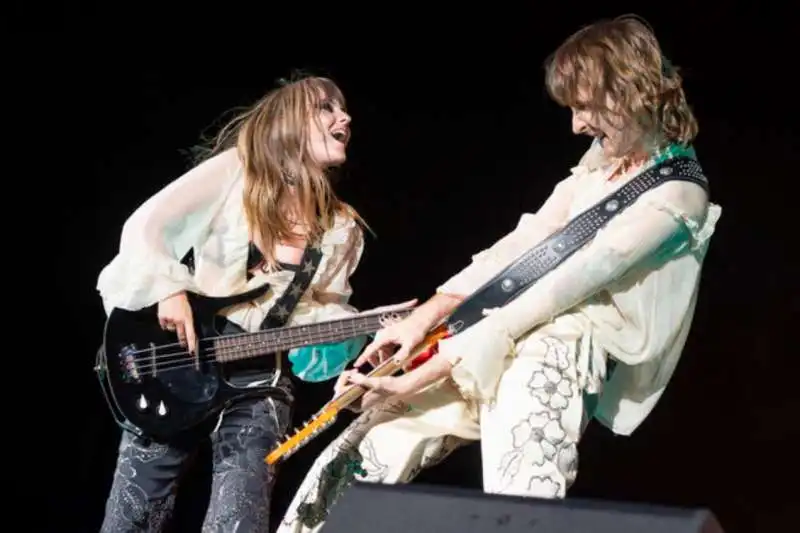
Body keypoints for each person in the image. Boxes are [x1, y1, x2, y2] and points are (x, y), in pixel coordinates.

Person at [276, 15, 722, 533]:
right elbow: (525, 243)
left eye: (584, 106)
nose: (577, 125)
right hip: (497, 332)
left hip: (558, 341)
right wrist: (423, 319)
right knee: (366, 443)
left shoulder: (678, 196)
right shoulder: (602, 160)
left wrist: (420, 373)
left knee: (520, 485)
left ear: (627, 89)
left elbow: (557, 290)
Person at [96, 75, 405, 533]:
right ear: (288, 119)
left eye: (344, 110)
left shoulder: (342, 227)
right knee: (133, 515)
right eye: (326, 108)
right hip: (180, 365)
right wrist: (169, 290)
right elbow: (146, 225)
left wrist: (361, 328)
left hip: (262, 381)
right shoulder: (235, 170)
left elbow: (318, 326)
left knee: (238, 521)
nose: (345, 117)